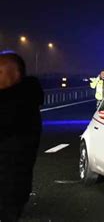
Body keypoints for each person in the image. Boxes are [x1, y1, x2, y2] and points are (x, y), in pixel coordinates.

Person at [0, 52, 43, 222]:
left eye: (0, 72)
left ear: (15, 74)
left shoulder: (18, 104)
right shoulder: (23, 98)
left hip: (8, 188)